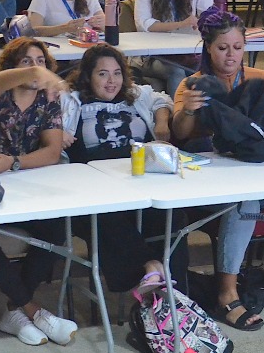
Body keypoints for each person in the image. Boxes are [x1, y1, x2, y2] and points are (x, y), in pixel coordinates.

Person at [170, 7, 264, 329]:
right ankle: (227, 293)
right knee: (245, 201)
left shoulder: (260, 80)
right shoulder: (193, 85)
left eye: (238, 47)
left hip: (262, 171)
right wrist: (190, 112)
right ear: (208, 47)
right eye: (223, 48)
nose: (231, 55)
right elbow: (178, 135)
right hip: (216, 181)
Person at [0, 37, 79, 347]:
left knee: (55, 229)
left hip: (22, 184)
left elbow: (52, 152)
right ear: (12, 67)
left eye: (40, 61)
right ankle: (32, 309)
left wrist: (15, 162)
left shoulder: (46, 101)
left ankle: (14, 310)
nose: (34, 68)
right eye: (26, 61)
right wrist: (32, 74)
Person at [58, 43, 178, 291]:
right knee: (105, 216)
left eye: (117, 73)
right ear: (87, 76)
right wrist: (57, 134)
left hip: (139, 182)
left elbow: (162, 99)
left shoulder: (135, 95)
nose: (111, 81)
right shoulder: (71, 101)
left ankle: (170, 291)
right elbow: (45, 120)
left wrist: (162, 122)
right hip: (94, 190)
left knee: (173, 216)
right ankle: (154, 271)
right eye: (102, 74)